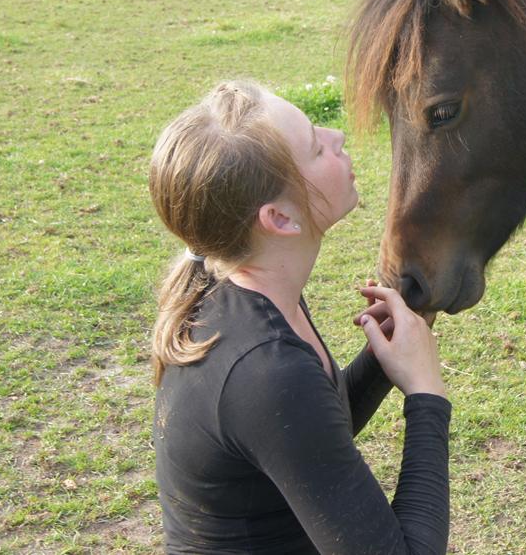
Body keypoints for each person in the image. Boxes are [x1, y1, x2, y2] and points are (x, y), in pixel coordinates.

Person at [147, 79, 450, 554]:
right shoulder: (265, 367)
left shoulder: (247, 292)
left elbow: (304, 433)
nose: (337, 136)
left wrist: (381, 357)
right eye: (314, 145)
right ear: (280, 219)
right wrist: (426, 396)